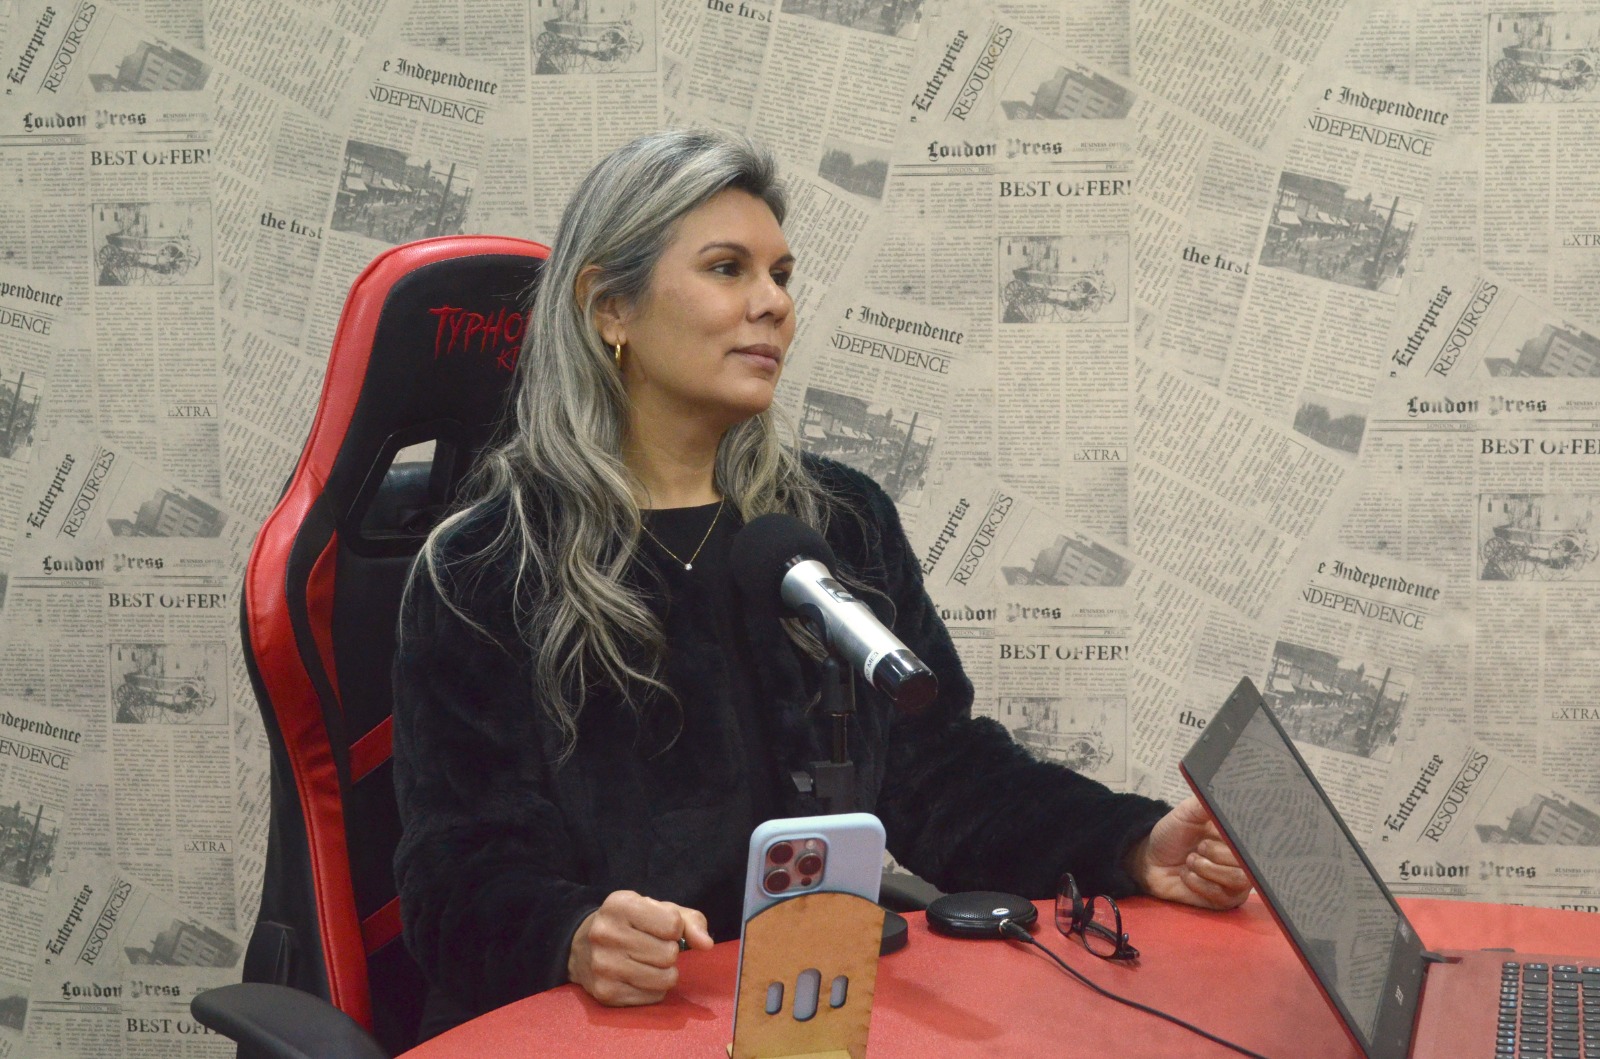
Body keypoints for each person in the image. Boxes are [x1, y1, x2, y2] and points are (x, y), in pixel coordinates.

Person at [391, 128, 1250, 1040]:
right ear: (611, 307)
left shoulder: (838, 522)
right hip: (607, 1025)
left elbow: (943, 774)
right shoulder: (487, 564)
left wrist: (1129, 842)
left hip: (811, 1016)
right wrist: (571, 934)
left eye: (782, 275)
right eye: (727, 269)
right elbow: (456, 871)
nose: (773, 303)